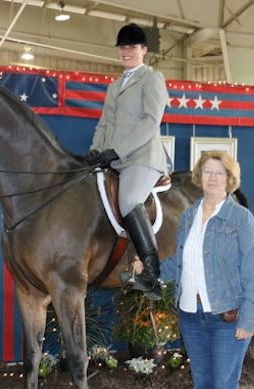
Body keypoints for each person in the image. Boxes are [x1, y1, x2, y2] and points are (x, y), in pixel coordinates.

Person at [157, 150, 254, 389]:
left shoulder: (241, 219)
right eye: (207, 172)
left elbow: (253, 274)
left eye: (219, 173)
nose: (212, 178)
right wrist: (149, 270)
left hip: (227, 319)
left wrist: (248, 321)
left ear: (229, 179)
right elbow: (180, 263)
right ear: (199, 176)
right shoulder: (188, 216)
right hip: (191, 316)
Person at [83, 23, 170, 300]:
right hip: (115, 159)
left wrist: (116, 151)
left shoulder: (152, 79)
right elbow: (104, 123)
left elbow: (149, 122)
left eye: (132, 47)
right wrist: (96, 150)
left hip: (143, 158)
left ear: (143, 50)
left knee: (129, 200)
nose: (126, 52)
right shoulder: (114, 87)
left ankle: (152, 274)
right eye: (123, 48)